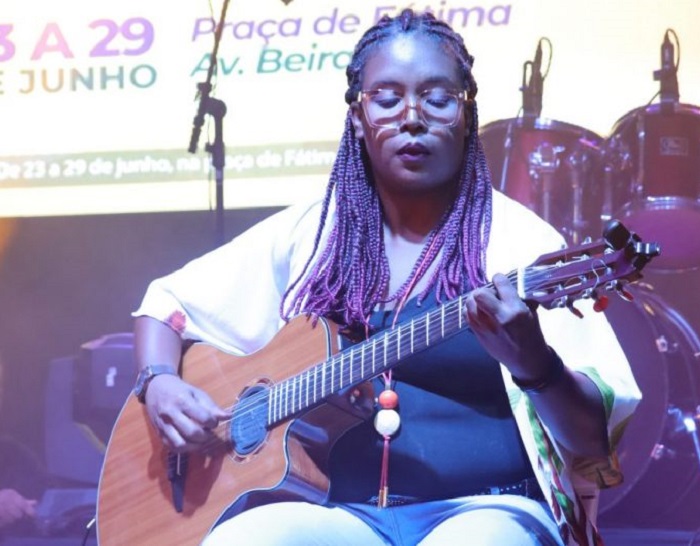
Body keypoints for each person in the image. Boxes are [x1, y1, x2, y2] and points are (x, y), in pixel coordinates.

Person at [132, 9, 641, 546]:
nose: (412, 118)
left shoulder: (520, 243)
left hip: (488, 510)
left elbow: (592, 442)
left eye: (438, 99)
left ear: (467, 114)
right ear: (358, 116)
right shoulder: (316, 232)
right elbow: (164, 305)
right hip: (342, 515)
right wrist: (157, 380)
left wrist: (536, 365)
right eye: (387, 99)